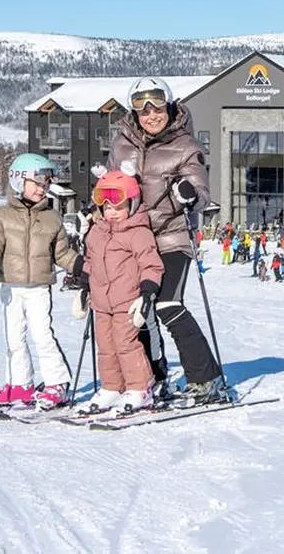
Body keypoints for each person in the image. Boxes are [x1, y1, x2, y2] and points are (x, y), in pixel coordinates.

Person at [103, 76, 223, 404]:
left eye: (157, 107)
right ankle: (153, 377)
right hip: (133, 240)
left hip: (171, 238)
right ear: (135, 113)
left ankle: (206, 379)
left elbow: (200, 193)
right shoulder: (121, 144)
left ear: (169, 106)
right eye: (143, 109)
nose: (152, 115)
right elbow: (113, 187)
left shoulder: (186, 147)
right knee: (138, 311)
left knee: (168, 304)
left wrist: (188, 194)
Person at [0, 153, 84, 409]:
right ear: (17, 181)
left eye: (45, 183)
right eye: (36, 182)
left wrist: (81, 265)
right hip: (10, 286)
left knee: (42, 335)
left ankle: (57, 383)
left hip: (38, 287)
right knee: (14, 338)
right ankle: (20, 385)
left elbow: (61, 254)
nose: (41, 188)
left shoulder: (52, 217)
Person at [74, 170, 164, 415]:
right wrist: (84, 287)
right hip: (101, 303)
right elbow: (90, 261)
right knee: (105, 346)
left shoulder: (138, 233)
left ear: (132, 204)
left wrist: (146, 294)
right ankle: (112, 386)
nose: (111, 212)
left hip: (127, 302)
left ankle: (139, 387)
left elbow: (151, 265)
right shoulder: (97, 232)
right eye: (106, 207)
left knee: (126, 345)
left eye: (118, 206)